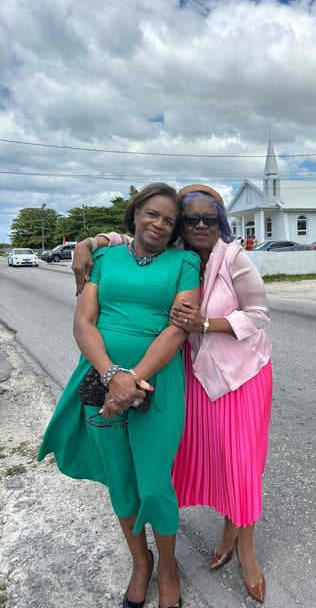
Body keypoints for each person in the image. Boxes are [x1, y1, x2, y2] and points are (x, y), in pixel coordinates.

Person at [72, 184, 273, 603]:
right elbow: (132, 237)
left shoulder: (229, 257)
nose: (199, 225)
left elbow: (258, 314)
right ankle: (169, 553)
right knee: (205, 461)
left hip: (241, 373)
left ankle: (243, 549)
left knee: (238, 462)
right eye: (190, 218)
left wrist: (206, 325)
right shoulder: (168, 250)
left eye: (208, 218)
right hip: (197, 375)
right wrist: (90, 241)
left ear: (220, 221)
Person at [38, 183, 200, 608]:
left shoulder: (185, 263)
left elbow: (178, 329)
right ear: (136, 213)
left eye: (169, 221)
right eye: (152, 214)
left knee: (155, 483)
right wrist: (111, 375)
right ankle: (141, 563)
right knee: (120, 480)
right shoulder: (104, 258)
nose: (159, 224)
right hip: (98, 378)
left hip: (158, 383)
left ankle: (168, 567)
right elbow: (84, 323)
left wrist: (131, 381)